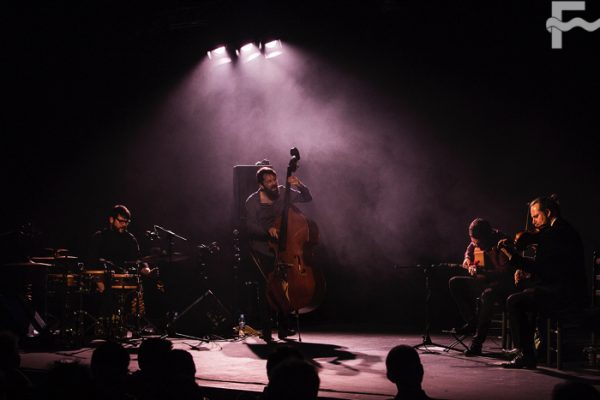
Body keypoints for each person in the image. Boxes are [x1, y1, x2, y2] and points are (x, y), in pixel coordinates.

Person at [499, 195, 588, 369]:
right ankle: (529, 350)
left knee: (515, 301)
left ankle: (525, 353)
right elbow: (550, 268)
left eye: (536, 216)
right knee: (527, 296)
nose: (533, 222)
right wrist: (528, 275)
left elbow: (541, 267)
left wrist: (512, 256)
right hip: (561, 287)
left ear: (547, 213)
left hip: (565, 293)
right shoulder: (559, 230)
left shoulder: (556, 233)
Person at [244, 166, 312, 342]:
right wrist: (267, 229)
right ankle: (267, 331)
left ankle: (283, 328)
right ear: (261, 185)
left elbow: (307, 197)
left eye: (274, 180)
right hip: (262, 249)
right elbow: (250, 226)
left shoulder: (283, 192)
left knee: (284, 287)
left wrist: (300, 185)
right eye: (269, 182)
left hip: (284, 248)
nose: (274, 184)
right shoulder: (252, 201)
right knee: (267, 289)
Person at [448, 218, 516, 356]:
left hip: (503, 287)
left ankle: (477, 343)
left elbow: (505, 273)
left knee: (488, 295)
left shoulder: (502, 243)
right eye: (473, 240)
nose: (475, 244)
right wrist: (467, 258)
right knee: (455, 282)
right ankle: (472, 322)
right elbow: (470, 246)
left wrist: (482, 272)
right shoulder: (478, 240)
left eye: (477, 242)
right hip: (485, 282)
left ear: (486, 237)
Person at [88, 204, 152, 328]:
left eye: (127, 222)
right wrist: (98, 281)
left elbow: (137, 259)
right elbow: (91, 261)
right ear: (111, 220)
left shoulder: (129, 238)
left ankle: (133, 324)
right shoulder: (100, 236)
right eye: (121, 221)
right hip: (102, 280)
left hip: (123, 279)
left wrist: (147, 269)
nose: (124, 225)